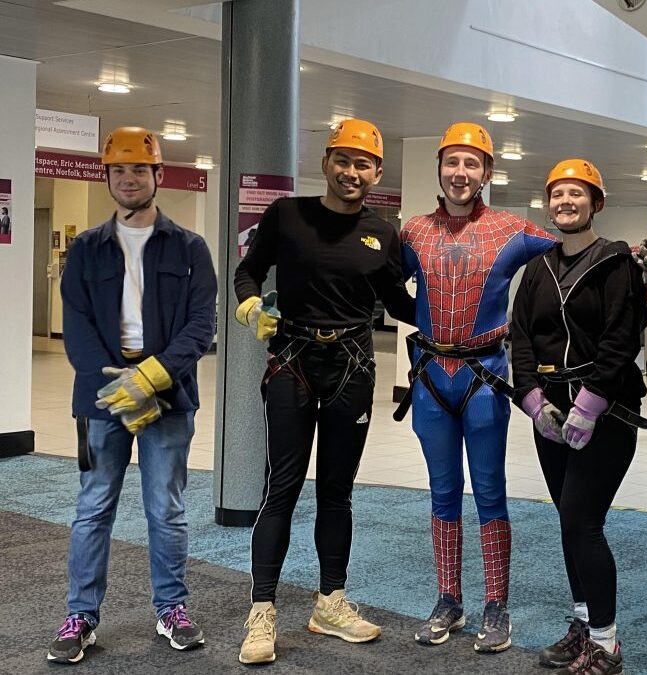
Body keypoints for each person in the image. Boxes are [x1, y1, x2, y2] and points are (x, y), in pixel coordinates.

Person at [232, 118, 415, 664]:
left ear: (377, 172)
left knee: (337, 491)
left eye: (363, 163)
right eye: (343, 160)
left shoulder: (383, 232)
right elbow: (249, 271)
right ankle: (262, 610)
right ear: (326, 163)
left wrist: (460, 309)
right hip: (293, 361)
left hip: (353, 367)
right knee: (282, 487)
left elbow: (400, 304)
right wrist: (248, 306)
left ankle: (330, 602)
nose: (352, 171)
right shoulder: (287, 214)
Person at [48, 126, 217, 663]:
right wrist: (117, 383)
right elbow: (75, 326)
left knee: (165, 509)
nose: (128, 178)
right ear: (106, 177)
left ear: (158, 176)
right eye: (118, 169)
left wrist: (154, 376)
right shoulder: (86, 249)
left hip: (168, 396)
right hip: (102, 397)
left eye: (139, 169)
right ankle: (80, 615)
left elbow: (200, 324)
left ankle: (172, 609)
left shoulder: (190, 247)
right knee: (94, 506)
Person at [398, 121, 556, 653]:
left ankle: (496, 606)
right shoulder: (412, 231)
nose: (460, 173)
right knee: (443, 493)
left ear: (487, 172)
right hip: (431, 380)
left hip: (485, 378)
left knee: (490, 492)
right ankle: (448, 600)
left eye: (471, 164)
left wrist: (637, 262)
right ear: (439, 168)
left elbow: (570, 255)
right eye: (452, 162)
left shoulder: (513, 231)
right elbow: (377, 280)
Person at [510, 159, 647, 675]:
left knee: (582, 522)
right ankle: (584, 625)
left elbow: (621, 338)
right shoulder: (538, 267)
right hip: (550, 411)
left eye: (576, 194)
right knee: (570, 526)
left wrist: (589, 405)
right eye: (557, 194)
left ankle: (607, 645)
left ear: (596, 203)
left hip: (606, 412)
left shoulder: (616, 264)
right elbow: (520, 337)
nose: (565, 202)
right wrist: (532, 401)